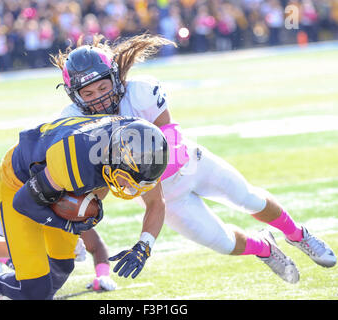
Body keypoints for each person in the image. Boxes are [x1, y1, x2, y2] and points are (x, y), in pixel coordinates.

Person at [51, 33, 336, 284]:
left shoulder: (140, 91)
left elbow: (171, 134)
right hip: (161, 195)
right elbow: (85, 179)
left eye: (102, 88)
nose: (99, 98)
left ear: (115, 77)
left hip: (188, 164)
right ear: (75, 97)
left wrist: (144, 172)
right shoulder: (74, 123)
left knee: (249, 198)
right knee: (223, 244)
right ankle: (264, 247)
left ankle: (298, 235)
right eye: (88, 93)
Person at [0, 114, 168, 300]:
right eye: (127, 180)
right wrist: (68, 225)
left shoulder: (143, 147)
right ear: (113, 158)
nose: (131, 187)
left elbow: (157, 202)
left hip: (55, 180)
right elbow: (23, 203)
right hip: (18, 182)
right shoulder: (73, 160)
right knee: (34, 288)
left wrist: (143, 247)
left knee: (62, 265)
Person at [0, 190, 117, 291]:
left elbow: (95, 245)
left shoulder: (67, 213)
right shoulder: (16, 192)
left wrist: (102, 276)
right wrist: (13, 260)